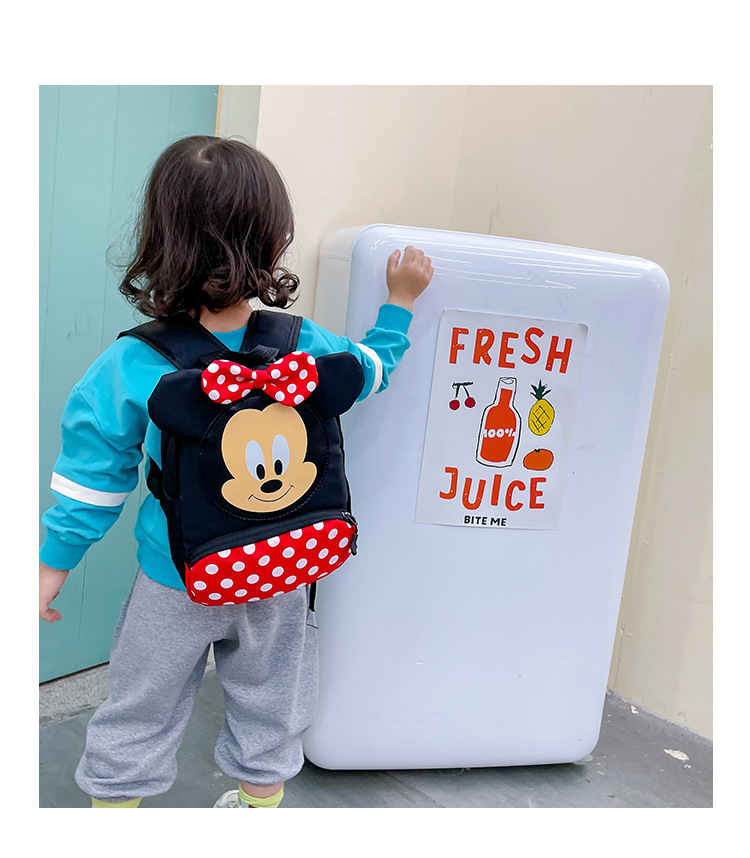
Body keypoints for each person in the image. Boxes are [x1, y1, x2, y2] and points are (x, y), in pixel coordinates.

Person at [38, 136, 434, 808]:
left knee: (139, 710)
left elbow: (93, 479)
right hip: (282, 569)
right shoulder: (302, 345)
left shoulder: (134, 363)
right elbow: (371, 368)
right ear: (272, 240)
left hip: (176, 578)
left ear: (161, 239)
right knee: (271, 705)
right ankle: (257, 812)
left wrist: (52, 566)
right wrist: (401, 302)